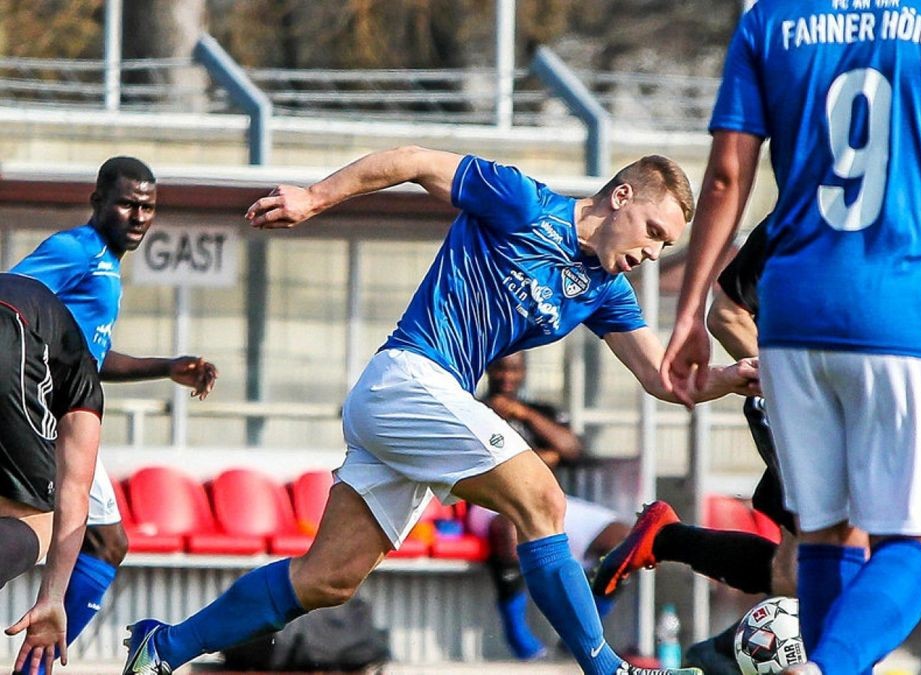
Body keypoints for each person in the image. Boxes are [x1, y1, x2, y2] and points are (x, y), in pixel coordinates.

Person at [121, 146, 758, 675]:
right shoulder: (524, 202)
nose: (652, 251)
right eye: (653, 231)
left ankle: (164, 646)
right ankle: (606, 668)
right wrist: (314, 198)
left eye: (665, 244)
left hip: (419, 406)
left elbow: (660, 376)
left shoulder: (602, 289)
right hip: (410, 379)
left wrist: (730, 377)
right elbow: (413, 161)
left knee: (327, 580)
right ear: (621, 196)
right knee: (543, 501)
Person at [662, 3, 921, 674]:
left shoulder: (770, 22)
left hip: (792, 317)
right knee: (917, 542)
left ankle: (827, 666)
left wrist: (687, 311)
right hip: (903, 312)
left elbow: (727, 177)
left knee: (822, 533)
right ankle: (826, 667)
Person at [595, 223, 868, 675]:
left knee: (800, 566)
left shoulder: (899, 223)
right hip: (810, 420)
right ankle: (719, 656)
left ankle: (708, 640)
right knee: (827, 565)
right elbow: (727, 315)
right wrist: (799, 396)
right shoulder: (799, 219)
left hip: (852, 420)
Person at [7, 156, 219, 674]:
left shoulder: (104, 265)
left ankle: (35, 665)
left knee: (101, 540)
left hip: (65, 409)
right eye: (127, 203)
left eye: (148, 206)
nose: (139, 216)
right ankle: (35, 669)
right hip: (44, 414)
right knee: (98, 540)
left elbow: (92, 360)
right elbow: (12, 302)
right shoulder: (75, 249)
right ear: (98, 200)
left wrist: (166, 367)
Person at [471, 351, 631, 661]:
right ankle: (516, 633)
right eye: (501, 368)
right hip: (488, 501)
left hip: (548, 499)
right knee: (510, 525)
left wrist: (523, 414)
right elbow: (482, 466)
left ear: (524, 371)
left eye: (515, 369)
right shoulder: (473, 409)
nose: (507, 376)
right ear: (489, 369)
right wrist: (542, 459)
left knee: (626, 540)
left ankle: (584, 634)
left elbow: (572, 450)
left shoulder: (538, 411)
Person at [0, 273, 104, 675]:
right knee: (40, 519)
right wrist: (52, 597)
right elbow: (74, 492)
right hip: (11, 334)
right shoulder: (83, 383)